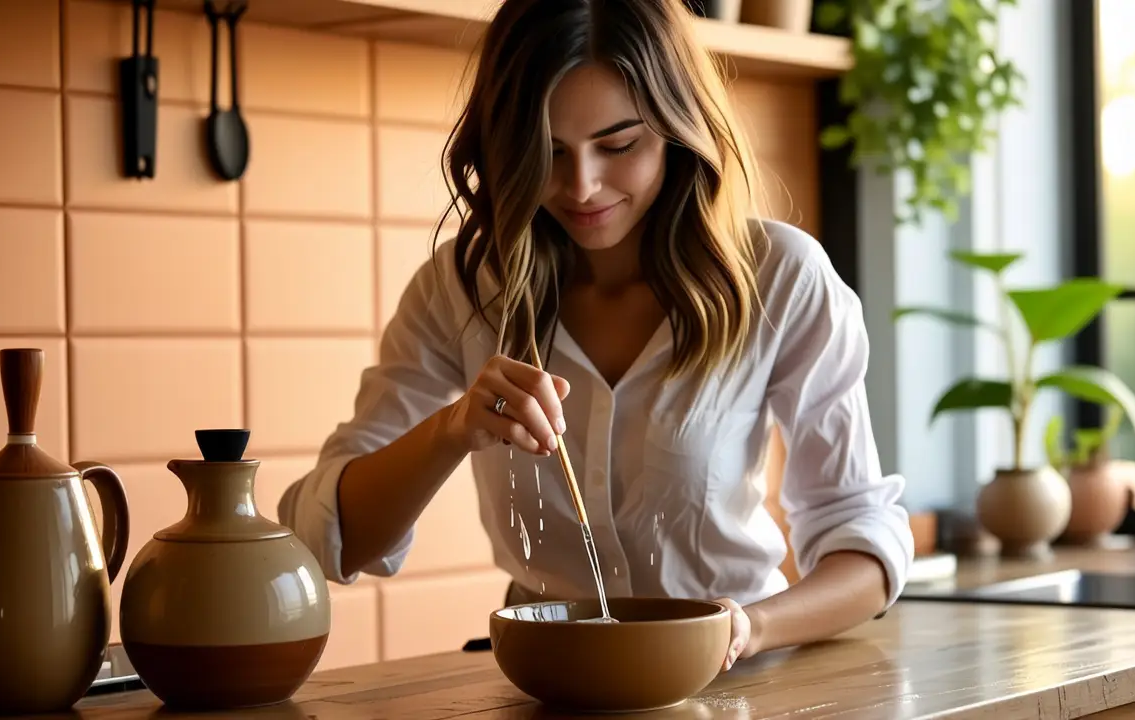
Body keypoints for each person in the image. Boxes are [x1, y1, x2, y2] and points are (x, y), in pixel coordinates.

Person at [278, 0, 913, 672]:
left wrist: (748, 628)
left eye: (618, 145)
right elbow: (325, 538)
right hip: (547, 685)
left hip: (738, 682)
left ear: (679, 128)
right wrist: (453, 428)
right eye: (547, 152)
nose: (581, 186)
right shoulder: (459, 288)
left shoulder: (779, 276)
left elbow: (863, 538)